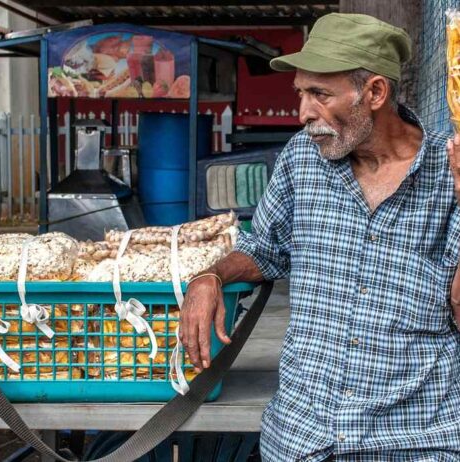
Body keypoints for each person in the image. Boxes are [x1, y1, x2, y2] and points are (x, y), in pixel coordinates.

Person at [180, 13, 460, 461]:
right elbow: (263, 250)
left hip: (413, 443)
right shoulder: (301, 158)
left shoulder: (449, 173)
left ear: (375, 93)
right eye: (300, 93)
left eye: (319, 94)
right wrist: (209, 277)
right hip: (301, 442)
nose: (303, 112)